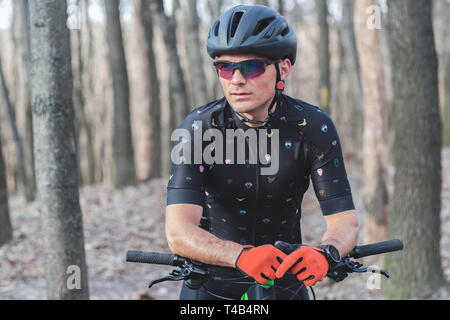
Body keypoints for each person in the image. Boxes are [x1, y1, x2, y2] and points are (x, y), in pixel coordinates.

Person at [165, 4, 359, 300]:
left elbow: (345, 221)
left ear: (283, 68)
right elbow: (178, 231)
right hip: (210, 285)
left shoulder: (313, 127)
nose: (237, 79)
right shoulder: (198, 129)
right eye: (225, 67)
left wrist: (325, 252)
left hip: (285, 282)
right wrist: (240, 255)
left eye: (252, 66)